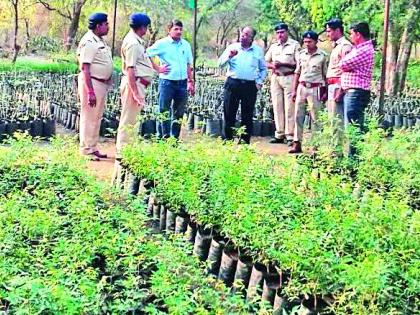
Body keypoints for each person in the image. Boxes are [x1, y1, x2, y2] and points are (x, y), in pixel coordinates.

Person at [115, 13, 167, 159]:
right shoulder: (132, 43)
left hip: (139, 84)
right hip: (135, 84)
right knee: (128, 119)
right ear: (142, 28)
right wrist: (135, 93)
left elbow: (143, 61)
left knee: (132, 119)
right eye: (146, 27)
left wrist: (156, 69)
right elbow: (130, 69)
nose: (147, 30)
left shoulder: (137, 41)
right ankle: (123, 152)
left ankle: (128, 149)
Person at [146, 19, 195, 139]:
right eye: (176, 29)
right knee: (164, 110)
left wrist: (190, 81)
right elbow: (146, 54)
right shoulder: (162, 44)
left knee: (179, 112)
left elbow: (189, 64)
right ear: (169, 30)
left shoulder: (185, 44)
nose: (179, 32)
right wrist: (157, 68)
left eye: (180, 29)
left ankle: (174, 139)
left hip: (182, 83)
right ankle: (163, 137)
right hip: (167, 82)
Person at [218, 26, 267, 144]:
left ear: (251, 38)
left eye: (246, 35)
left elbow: (263, 69)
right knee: (229, 113)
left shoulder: (257, 51)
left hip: (250, 86)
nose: (242, 36)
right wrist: (229, 56)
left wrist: (259, 82)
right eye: (242, 33)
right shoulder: (232, 48)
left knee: (247, 114)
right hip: (233, 83)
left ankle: (244, 141)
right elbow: (220, 64)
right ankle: (227, 140)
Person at [76, 13, 113, 161]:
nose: (108, 27)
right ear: (98, 26)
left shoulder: (100, 40)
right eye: (106, 24)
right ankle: (86, 150)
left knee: (96, 117)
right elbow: (85, 67)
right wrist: (90, 91)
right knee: (89, 117)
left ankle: (93, 146)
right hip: (92, 83)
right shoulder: (89, 41)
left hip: (100, 83)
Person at [289, 31, 328, 154]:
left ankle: (315, 146)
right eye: (305, 41)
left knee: (315, 117)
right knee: (297, 115)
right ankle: (297, 142)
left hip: (315, 88)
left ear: (316, 42)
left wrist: (325, 92)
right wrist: (294, 90)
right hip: (302, 86)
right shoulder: (301, 55)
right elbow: (297, 72)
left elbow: (326, 75)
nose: (307, 44)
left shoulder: (322, 56)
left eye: (309, 42)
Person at [339, 22, 374, 155]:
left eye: (352, 33)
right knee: (353, 126)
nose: (351, 37)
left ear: (358, 34)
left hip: (356, 93)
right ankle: (353, 159)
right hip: (353, 93)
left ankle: (353, 161)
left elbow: (342, 63)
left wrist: (344, 61)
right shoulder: (358, 48)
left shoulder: (363, 50)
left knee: (353, 128)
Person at [265, 22, 300, 145]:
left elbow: (298, 64)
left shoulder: (294, 45)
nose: (280, 35)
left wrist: (284, 64)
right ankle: (279, 133)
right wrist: (272, 65)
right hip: (276, 77)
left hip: (289, 77)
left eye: (282, 32)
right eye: (278, 33)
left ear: (287, 32)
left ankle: (289, 135)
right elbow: (265, 61)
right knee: (277, 105)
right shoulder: (274, 46)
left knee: (289, 107)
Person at [325, 18, 352, 123]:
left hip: (338, 85)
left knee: (337, 119)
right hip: (332, 85)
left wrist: (341, 89)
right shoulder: (336, 46)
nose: (327, 35)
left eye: (329, 31)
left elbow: (346, 70)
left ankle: (339, 140)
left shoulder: (345, 46)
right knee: (332, 119)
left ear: (337, 30)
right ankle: (335, 140)